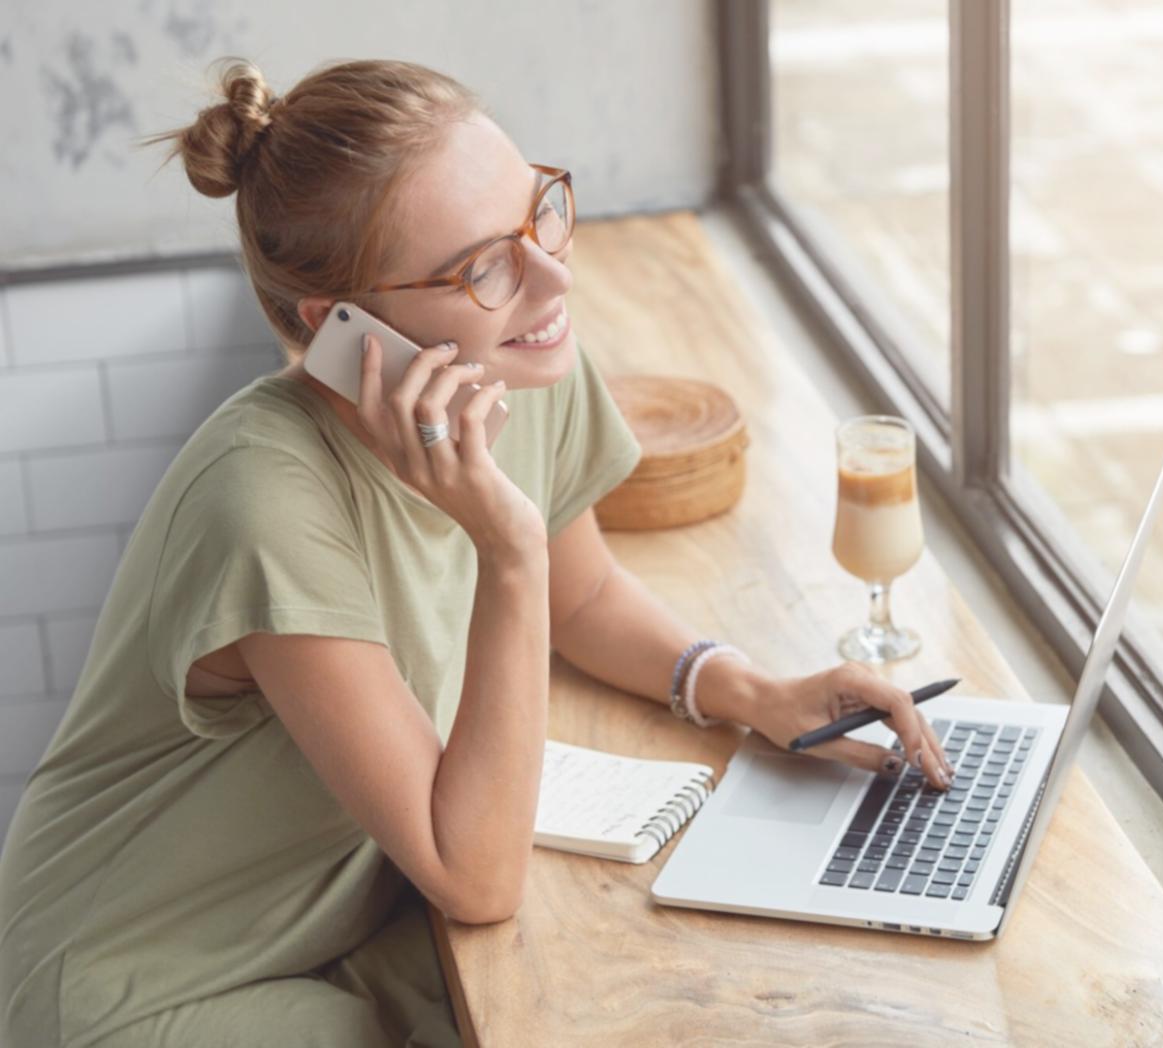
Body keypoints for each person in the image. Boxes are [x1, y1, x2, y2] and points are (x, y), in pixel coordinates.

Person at [0, 57, 955, 1046]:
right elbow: (476, 877)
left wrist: (754, 692)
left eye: (538, 214)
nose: (554, 276)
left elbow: (582, 599)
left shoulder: (516, 365)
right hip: (151, 982)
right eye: (482, 268)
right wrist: (507, 548)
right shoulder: (264, 503)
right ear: (341, 327)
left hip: (350, 919)